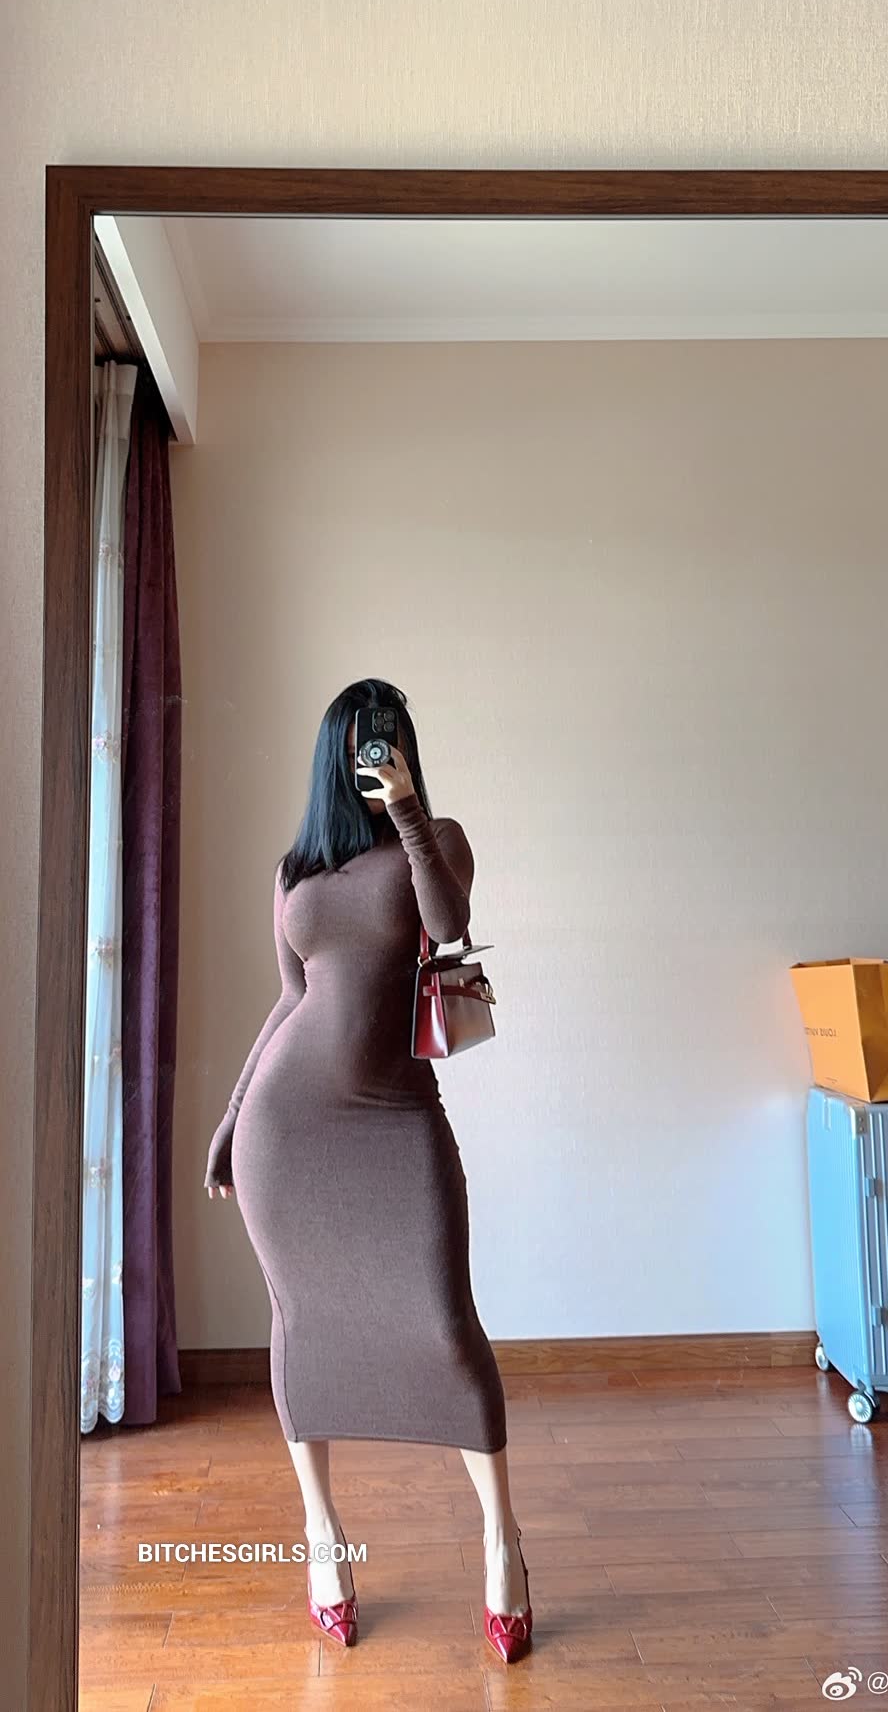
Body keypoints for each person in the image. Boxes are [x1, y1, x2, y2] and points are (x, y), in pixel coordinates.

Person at [204, 678, 532, 1662]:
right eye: (358, 738)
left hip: (394, 1120)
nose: (374, 750)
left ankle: (502, 1542)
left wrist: (407, 811)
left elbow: (450, 922)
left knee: (443, 1324)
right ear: (330, 752)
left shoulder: (436, 839)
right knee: (301, 1324)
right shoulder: (295, 871)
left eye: (388, 735)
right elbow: (289, 1000)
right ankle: (322, 1538)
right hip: (286, 1133)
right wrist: (231, 1117)